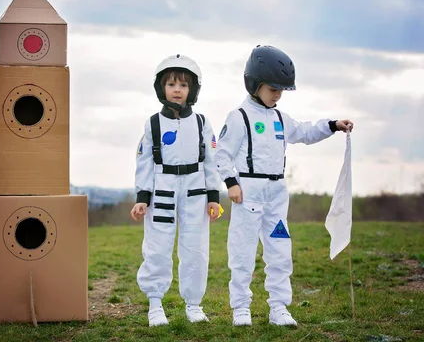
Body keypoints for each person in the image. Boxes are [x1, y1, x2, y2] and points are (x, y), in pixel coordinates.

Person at [214, 45, 354, 327]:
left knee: (279, 252)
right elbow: (222, 155)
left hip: (276, 195)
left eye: (282, 89)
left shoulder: (280, 118)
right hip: (247, 194)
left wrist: (333, 125)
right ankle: (241, 308)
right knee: (242, 253)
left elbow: (304, 132)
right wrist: (231, 183)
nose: (277, 94)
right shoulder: (239, 117)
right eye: (273, 87)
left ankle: (278, 307)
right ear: (254, 83)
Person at [130, 54, 221, 327]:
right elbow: (144, 162)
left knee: (195, 249)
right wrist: (142, 198)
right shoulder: (153, 124)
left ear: (192, 89)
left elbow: (211, 162)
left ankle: (193, 304)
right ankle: (155, 304)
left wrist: (213, 197)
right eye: (171, 84)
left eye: (183, 84)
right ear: (162, 89)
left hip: (195, 189)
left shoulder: (202, 123)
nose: (177, 90)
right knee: (157, 247)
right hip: (162, 190)